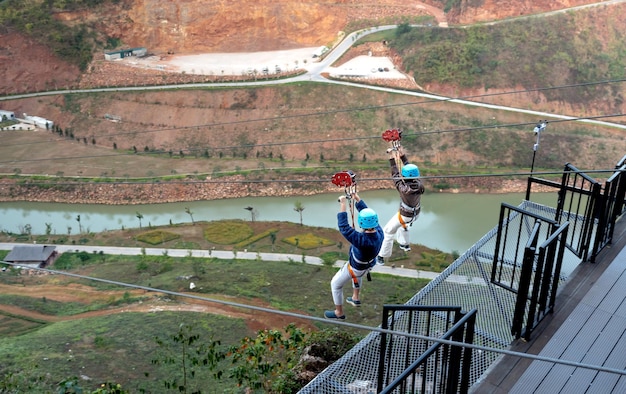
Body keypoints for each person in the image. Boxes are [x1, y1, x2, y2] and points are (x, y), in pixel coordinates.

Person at [325, 192, 384, 320]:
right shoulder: (380, 232)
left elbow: (344, 228)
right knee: (357, 276)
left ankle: (338, 313)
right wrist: (357, 199)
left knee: (335, 284)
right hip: (367, 266)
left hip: (357, 267)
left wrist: (343, 204)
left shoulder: (362, 240)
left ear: (361, 224)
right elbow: (368, 215)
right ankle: (355, 297)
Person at [376, 146, 425, 265]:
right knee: (402, 225)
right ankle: (404, 244)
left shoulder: (403, 189)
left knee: (387, 231)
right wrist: (402, 155)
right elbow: (409, 170)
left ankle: (382, 256)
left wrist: (391, 157)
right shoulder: (419, 184)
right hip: (415, 214)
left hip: (405, 215)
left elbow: (395, 174)